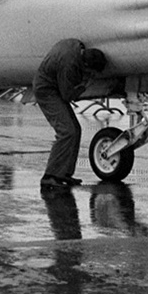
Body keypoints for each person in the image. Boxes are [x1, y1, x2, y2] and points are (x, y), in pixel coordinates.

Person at [33, 39, 107, 191]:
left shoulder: (76, 46)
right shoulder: (70, 66)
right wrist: (84, 86)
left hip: (51, 86)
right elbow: (67, 95)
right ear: (85, 65)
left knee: (75, 130)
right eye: (91, 72)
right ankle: (50, 176)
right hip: (46, 91)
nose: (91, 75)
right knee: (66, 131)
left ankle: (64, 173)